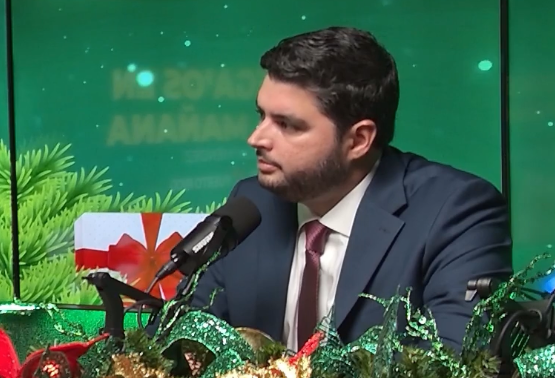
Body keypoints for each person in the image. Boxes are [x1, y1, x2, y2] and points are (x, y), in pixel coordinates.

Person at [172, 27, 512, 351]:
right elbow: (178, 342)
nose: (256, 138)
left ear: (358, 140)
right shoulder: (252, 204)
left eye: (286, 125)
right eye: (262, 116)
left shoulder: (456, 211)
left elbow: (453, 362)